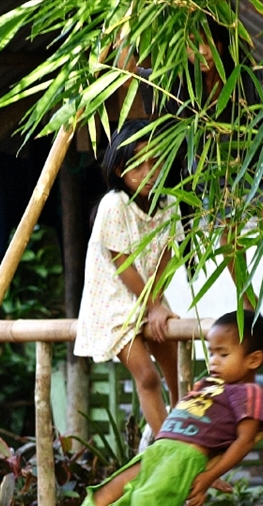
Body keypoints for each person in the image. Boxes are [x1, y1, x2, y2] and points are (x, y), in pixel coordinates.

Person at [10, 310, 263, 506]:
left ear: (254, 360)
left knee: (146, 505)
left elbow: (244, 440)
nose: (213, 361)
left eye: (223, 354)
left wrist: (210, 475)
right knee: (102, 495)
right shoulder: (209, 384)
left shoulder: (249, 393)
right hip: (159, 451)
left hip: (183, 458)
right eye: (211, 353)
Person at [119, 19, 263, 321]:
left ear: (223, 43)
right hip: (211, 163)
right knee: (227, 229)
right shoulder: (178, 81)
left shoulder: (248, 75)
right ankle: (248, 302)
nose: (203, 52)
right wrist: (129, 22)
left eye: (209, 43)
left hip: (254, 155)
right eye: (192, 43)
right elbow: (128, 72)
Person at [73, 118, 183, 437]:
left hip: (149, 298)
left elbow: (166, 254)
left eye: (155, 161)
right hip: (113, 303)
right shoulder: (114, 204)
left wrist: (157, 302)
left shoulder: (170, 203)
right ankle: (166, 445)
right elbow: (123, 264)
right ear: (120, 168)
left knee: (173, 364)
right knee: (146, 376)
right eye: (137, 163)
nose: (148, 171)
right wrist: (152, 306)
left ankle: (180, 421)